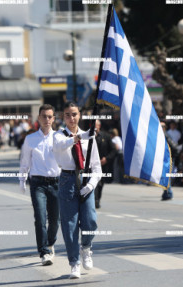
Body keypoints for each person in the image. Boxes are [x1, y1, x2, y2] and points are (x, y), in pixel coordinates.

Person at [53, 101, 102, 279]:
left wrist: (90, 185)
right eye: (67, 114)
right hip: (67, 180)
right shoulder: (59, 135)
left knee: (90, 221)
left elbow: (97, 167)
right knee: (70, 225)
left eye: (74, 114)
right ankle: (74, 263)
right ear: (63, 116)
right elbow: (59, 147)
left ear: (79, 115)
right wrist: (79, 138)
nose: (71, 118)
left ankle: (86, 247)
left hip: (86, 178)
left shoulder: (89, 136)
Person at [19, 104, 60, 266]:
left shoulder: (59, 137)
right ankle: (44, 251)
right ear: (39, 118)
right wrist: (22, 180)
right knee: (40, 218)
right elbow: (25, 162)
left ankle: (50, 243)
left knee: (55, 220)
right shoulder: (30, 139)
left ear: (54, 119)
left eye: (50, 116)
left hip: (57, 183)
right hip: (38, 184)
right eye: (44, 116)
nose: (47, 120)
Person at [94, 120, 116, 208]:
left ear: (99, 126)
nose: (95, 127)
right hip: (91, 166)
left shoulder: (106, 137)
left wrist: (106, 159)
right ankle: (94, 200)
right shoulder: (87, 136)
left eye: (96, 125)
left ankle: (97, 199)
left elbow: (113, 150)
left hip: (103, 166)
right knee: (93, 183)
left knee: (100, 183)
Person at [160, 122, 178, 200]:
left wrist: (170, 156)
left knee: (166, 176)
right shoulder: (161, 135)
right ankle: (166, 192)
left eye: (161, 126)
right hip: (162, 159)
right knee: (164, 176)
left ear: (164, 128)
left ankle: (168, 193)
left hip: (167, 159)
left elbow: (174, 147)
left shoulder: (165, 136)